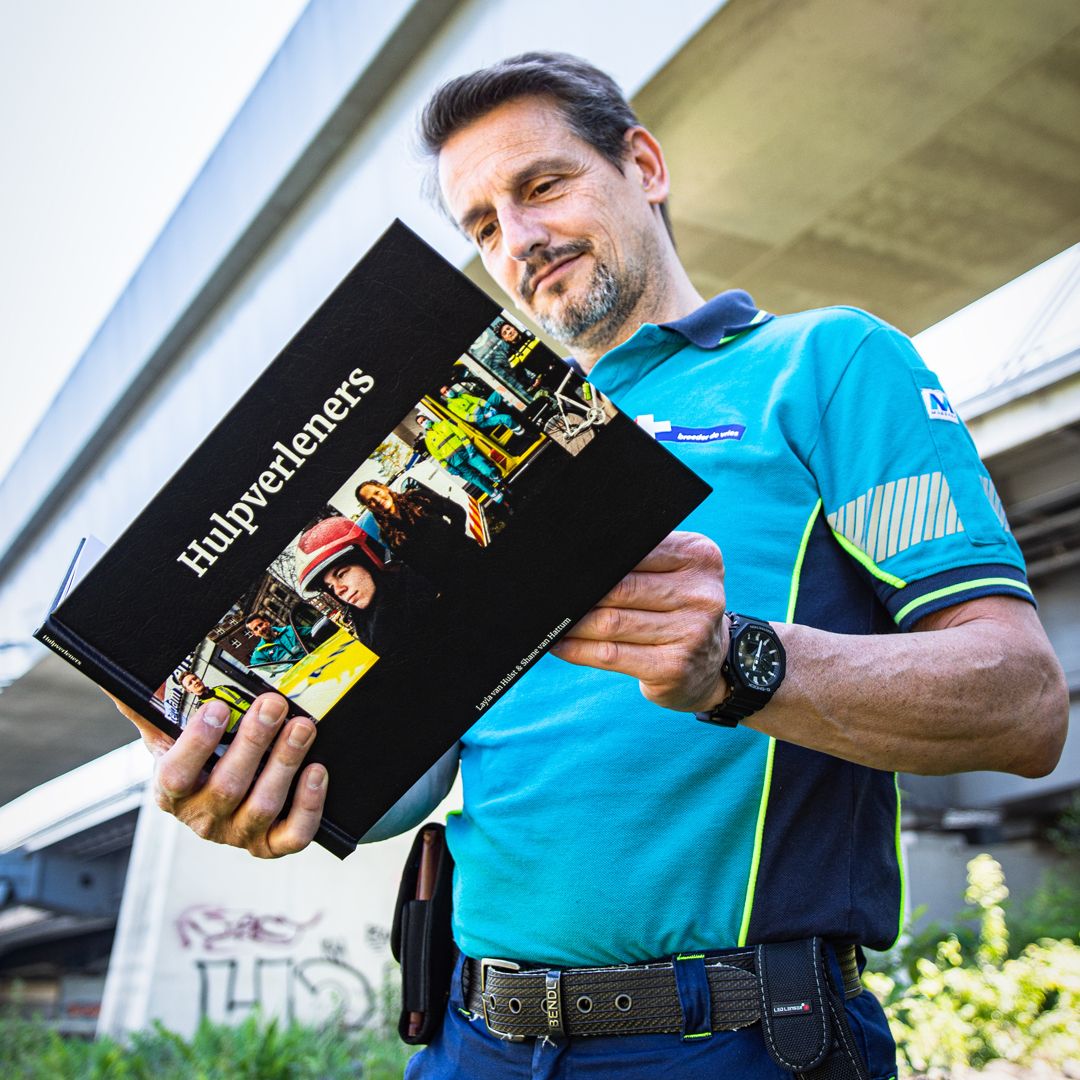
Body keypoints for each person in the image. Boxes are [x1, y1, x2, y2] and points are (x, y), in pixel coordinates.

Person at [117, 53, 1069, 1079]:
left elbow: (1022, 705)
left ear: (644, 165)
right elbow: (411, 788)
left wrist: (736, 665)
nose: (518, 241)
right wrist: (252, 775)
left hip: (740, 1038)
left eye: (542, 186)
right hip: (467, 1037)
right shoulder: (479, 466)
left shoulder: (825, 363)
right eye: (482, 225)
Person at [293, 515, 438, 657]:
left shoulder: (420, 585)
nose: (338, 590)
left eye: (341, 574)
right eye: (330, 587)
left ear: (368, 560)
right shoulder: (364, 625)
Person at [355, 480, 479, 577]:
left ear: (384, 488)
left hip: (467, 555)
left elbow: (456, 512)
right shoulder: (388, 535)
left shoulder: (416, 497)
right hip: (447, 575)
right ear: (369, 507)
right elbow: (413, 564)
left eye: (377, 493)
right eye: (370, 500)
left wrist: (455, 541)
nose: (377, 500)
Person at [415, 413, 507, 503]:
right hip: (457, 465)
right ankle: (502, 500)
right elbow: (439, 458)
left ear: (427, 418)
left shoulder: (444, 424)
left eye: (424, 419)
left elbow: (461, 434)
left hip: (467, 454)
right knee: (479, 482)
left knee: (487, 470)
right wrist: (451, 469)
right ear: (420, 426)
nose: (424, 422)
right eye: (421, 422)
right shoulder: (428, 440)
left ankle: (504, 484)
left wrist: (469, 449)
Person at [177, 671, 253, 736]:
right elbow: (215, 734)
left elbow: (250, 699)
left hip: (258, 718)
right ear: (188, 690)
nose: (195, 682)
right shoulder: (202, 709)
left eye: (195, 678)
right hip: (243, 733)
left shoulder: (223, 688)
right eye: (190, 683)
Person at [439, 383, 524, 435]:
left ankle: (518, 407)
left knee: (499, 391)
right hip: (482, 420)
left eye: (448, 389)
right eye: (445, 392)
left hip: (486, 410)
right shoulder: (451, 405)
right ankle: (522, 433)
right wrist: (486, 416)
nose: (448, 392)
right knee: (507, 418)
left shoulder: (461, 395)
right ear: (444, 396)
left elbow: (478, 400)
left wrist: (489, 406)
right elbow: (467, 417)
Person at [245, 613, 312, 671]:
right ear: (254, 633)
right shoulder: (260, 651)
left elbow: (313, 633)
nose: (260, 629)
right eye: (256, 629)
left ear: (267, 622)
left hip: (314, 663)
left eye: (261, 624)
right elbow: (259, 672)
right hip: (297, 678)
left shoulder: (290, 630)